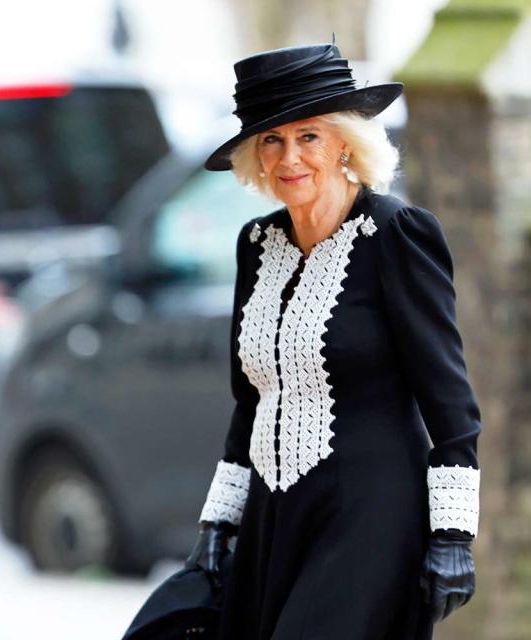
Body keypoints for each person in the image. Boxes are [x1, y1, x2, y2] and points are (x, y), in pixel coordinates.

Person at [192, 43, 481, 639]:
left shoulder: (397, 234)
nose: (290, 157)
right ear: (254, 154)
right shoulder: (257, 245)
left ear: (344, 141)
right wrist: (219, 521)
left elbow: (450, 405)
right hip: (274, 520)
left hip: (370, 518)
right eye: (272, 140)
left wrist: (453, 536)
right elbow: (250, 401)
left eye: (309, 136)